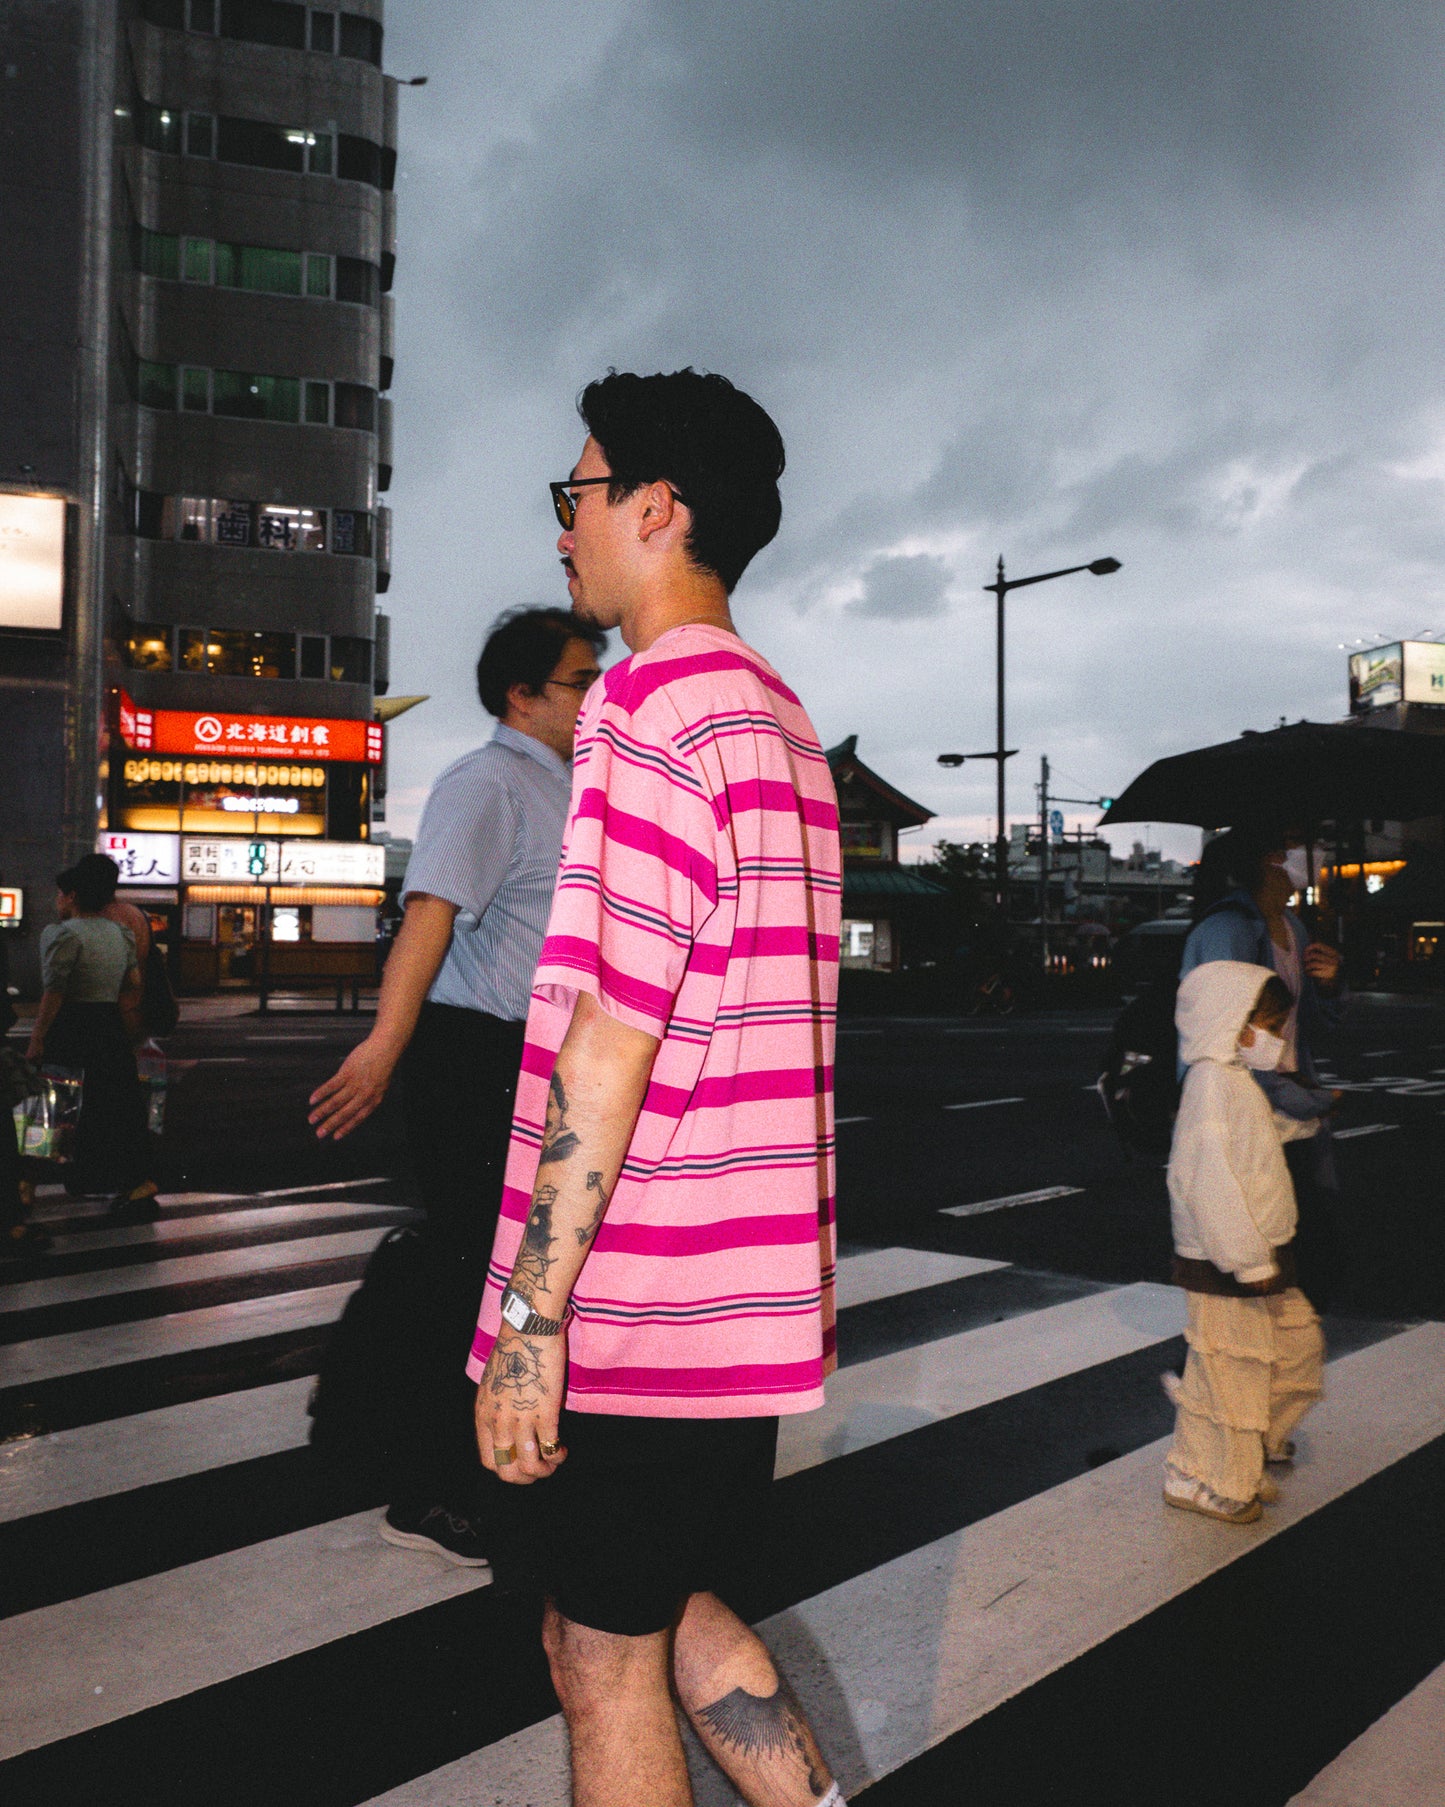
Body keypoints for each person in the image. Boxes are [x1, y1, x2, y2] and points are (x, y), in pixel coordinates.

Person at [470, 369, 846, 1807]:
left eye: (576, 495)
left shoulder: (645, 704)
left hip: (638, 1293)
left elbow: (613, 1033)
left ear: (656, 507)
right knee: (654, 1607)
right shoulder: (780, 721)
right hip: (738, 1291)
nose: (563, 530)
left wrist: (530, 1317)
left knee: (599, 1657)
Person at [309, 606, 606, 1566]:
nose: (595, 691)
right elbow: (430, 914)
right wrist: (383, 1048)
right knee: (477, 1270)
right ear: (521, 694)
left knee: (511, 1267)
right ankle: (428, 1487)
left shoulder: (571, 785)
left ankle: (496, 1459)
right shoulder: (487, 784)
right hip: (472, 1052)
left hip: (536, 1057)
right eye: (577, 679)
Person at [1163, 962, 1327, 1523]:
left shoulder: (1232, 1079)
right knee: (1228, 1376)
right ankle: (1200, 1476)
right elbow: (1206, 1177)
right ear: (1231, 1023)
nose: (1275, 1037)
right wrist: (1248, 1260)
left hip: (1257, 1256)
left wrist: (1301, 1124)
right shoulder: (1211, 1085)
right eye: (1269, 1024)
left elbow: (1249, 1142)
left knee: (1295, 1351)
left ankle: (1250, 1447)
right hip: (1226, 1263)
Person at [1179, 828, 1344, 1308]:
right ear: (1273, 857)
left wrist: (1330, 982)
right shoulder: (1225, 930)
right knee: (1284, 1255)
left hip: (1289, 1108)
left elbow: (1307, 1023)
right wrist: (1310, 1099)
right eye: (1298, 841)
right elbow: (1225, 1036)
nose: (1316, 850)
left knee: (1301, 1249)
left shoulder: (1293, 928)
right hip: (1253, 1109)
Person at [25, 856, 154, 1216]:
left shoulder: (62, 934)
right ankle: (135, 1181)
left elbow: (53, 992)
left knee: (50, 1103)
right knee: (114, 1105)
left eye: (60, 894)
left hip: (72, 1024)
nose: (57, 900)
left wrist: (37, 1039)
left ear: (73, 896)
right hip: (108, 1023)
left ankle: (26, 1182)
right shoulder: (120, 933)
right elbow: (134, 982)